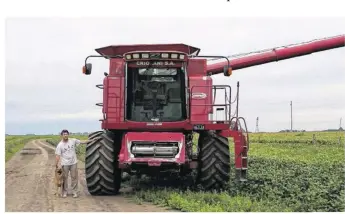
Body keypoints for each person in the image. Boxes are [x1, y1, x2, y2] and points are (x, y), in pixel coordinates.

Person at [55, 129, 89, 198]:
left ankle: (75, 192)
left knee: (74, 178)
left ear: (68, 135)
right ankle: (65, 192)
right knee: (64, 178)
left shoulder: (73, 140)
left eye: (66, 134)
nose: (65, 135)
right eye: (64, 134)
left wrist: (91, 140)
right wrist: (56, 164)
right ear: (61, 135)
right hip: (65, 164)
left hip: (73, 163)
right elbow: (58, 155)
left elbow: (82, 142)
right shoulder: (60, 145)